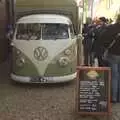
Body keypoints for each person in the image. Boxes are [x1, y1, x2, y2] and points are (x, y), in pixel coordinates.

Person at [96, 14, 120, 103]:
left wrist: (107, 47)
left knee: (114, 76)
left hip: (113, 54)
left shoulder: (112, 27)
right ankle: (118, 97)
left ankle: (113, 97)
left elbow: (101, 38)